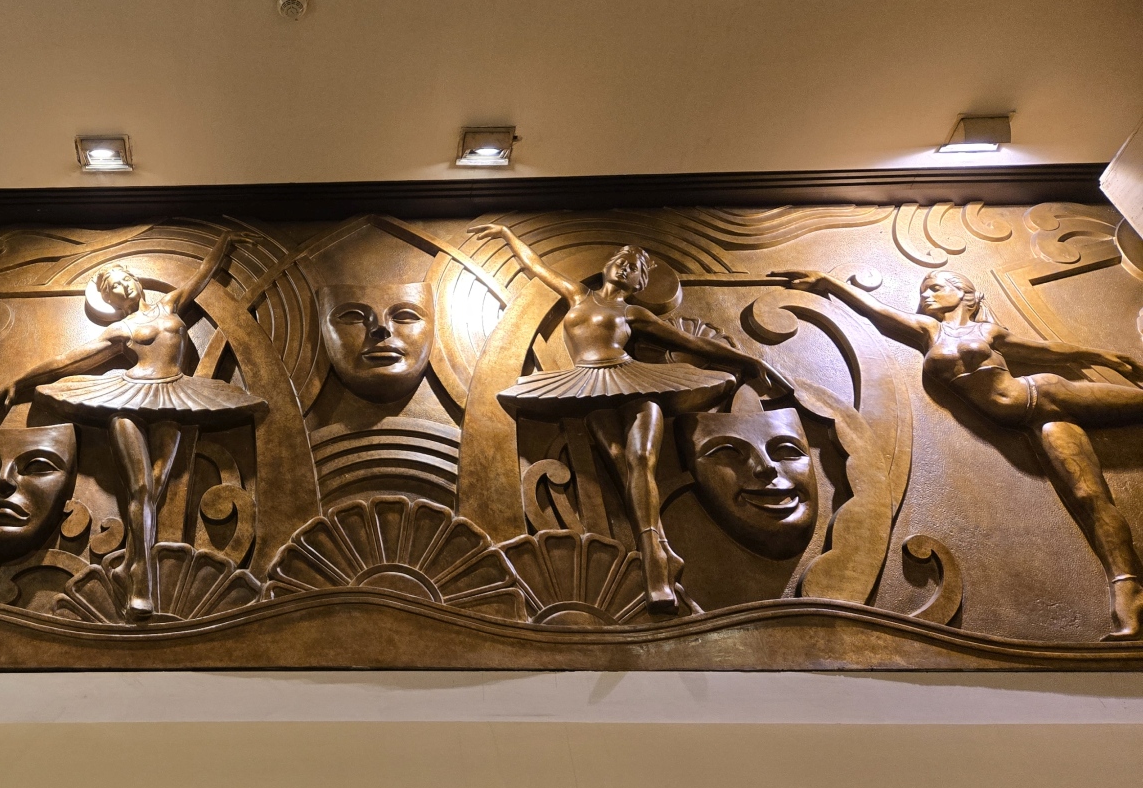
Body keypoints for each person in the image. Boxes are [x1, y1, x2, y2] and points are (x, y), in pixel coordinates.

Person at [772, 266, 1143, 640]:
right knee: (1089, 498)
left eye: (935, 287)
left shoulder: (989, 332)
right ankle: (1131, 600)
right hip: (1039, 421)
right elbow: (877, 311)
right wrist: (828, 283)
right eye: (923, 291)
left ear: (963, 293)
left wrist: (1105, 357)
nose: (926, 296)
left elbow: (1049, 350)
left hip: (1044, 392)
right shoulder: (928, 331)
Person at [468, 226, 789, 610]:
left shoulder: (633, 312)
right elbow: (535, 265)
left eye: (633, 267)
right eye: (620, 260)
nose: (624, 267)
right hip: (590, 388)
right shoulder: (578, 295)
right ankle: (662, 549)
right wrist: (507, 234)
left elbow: (692, 342)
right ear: (607, 267)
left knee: (640, 461)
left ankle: (653, 562)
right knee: (621, 466)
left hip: (638, 386)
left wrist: (749, 360)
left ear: (640, 283)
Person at [0, 233, 264, 620]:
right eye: (114, 288)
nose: (123, 287)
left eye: (124, 279)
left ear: (135, 280)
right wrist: (20, 381)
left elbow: (202, 274)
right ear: (112, 302)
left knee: (156, 488)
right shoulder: (121, 330)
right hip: (127, 400)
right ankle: (141, 581)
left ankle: (130, 563)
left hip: (172, 398)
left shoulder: (170, 304)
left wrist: (225, 243)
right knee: (141, 488)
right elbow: (69, 360)